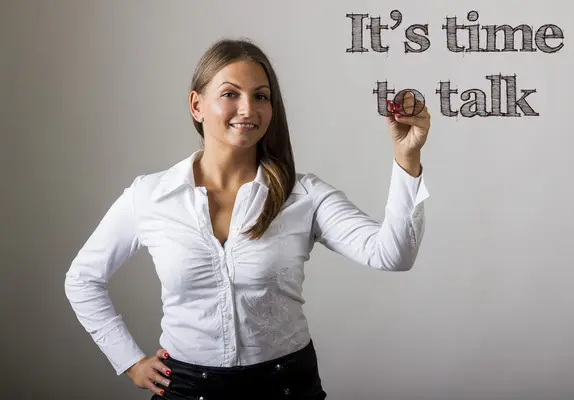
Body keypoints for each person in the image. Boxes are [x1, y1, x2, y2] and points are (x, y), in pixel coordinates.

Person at [64, 38, 431, 399]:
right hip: (188, 389)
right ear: (197, 105)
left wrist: (407, 158)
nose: (248, 109)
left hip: (286, 387)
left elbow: (392, 255)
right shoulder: (150, 196)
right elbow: (82, 279)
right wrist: (128, 361)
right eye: (230, 94)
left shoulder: (304, 195)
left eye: (260, 96)